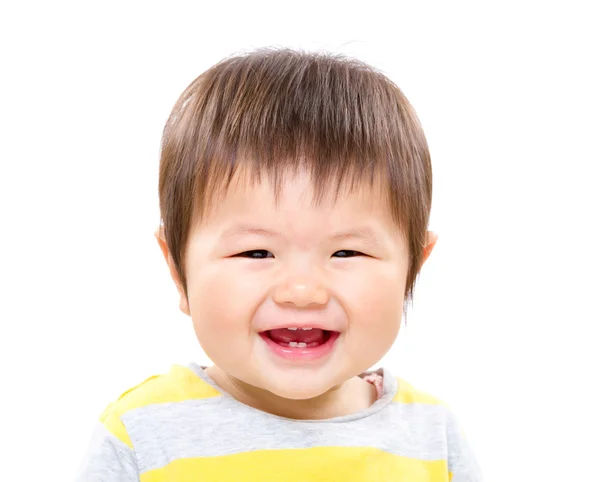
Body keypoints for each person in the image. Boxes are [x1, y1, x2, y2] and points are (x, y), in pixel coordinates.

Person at [76, 47, 483, 481]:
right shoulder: (143, 434)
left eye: (346, 253)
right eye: (256, 253)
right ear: (178, 271)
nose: (302, 291)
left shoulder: (431, 437)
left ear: (412, 271)